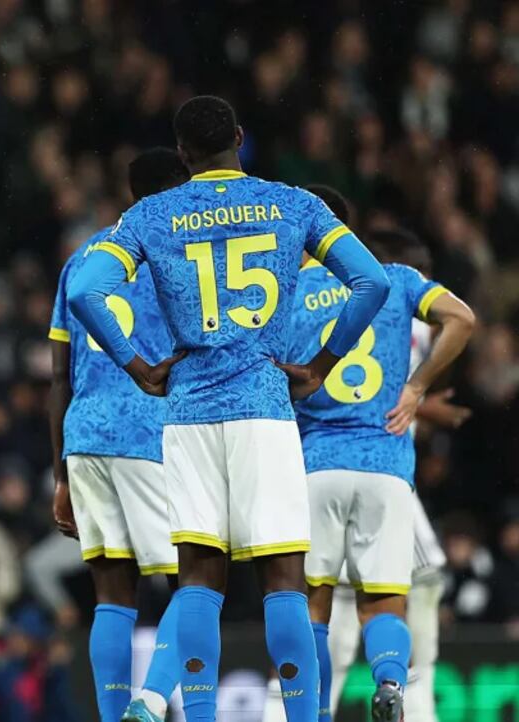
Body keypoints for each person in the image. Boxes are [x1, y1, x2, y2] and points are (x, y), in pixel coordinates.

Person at [66, 95, 391, 722]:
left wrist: (136, 365)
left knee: (198, 579)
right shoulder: (293, 203)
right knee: (284, 580)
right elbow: (371, 281)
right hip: (264, 406)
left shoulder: (151, 213)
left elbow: (85, 290)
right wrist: (322, 365)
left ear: (182, 152)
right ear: (239, 138)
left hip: (188, 410)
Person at [286, 220, 474, 722]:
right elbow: (462, 319)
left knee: (315, 605)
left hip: (317, 464)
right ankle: (390, 682)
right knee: (383, 603)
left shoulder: (290, 291)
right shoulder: (398, 279)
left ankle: (314, 712)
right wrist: (417, 389)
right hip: (387, 466)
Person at [48, 148, 189, 722]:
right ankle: (151, 703)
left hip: (85, 436)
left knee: (112, 593)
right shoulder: (182, 253)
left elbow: (58, 375)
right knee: (195, 582)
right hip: (151, 434)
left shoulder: (84, 257)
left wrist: (60, 472)